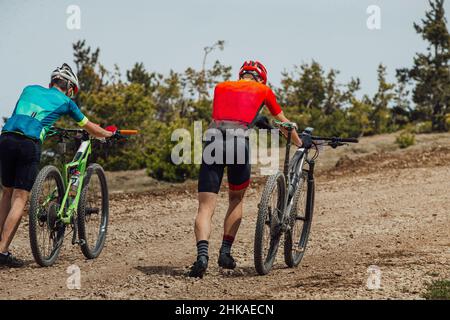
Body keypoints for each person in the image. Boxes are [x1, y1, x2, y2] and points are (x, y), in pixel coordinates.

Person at [188, 60, 311, 278]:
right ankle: (225, 252)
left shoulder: (221, 87)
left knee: (205, 207)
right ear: (261, 78)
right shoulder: (263, 90)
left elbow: (228, 111)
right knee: (235, 199)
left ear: (241, 74)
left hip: (213, 139)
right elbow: (284, 124)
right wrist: (300, 143)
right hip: (238, 142)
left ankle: (202, 256)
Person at [0, 63, 116, 267]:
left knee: (7, 194)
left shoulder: (29, 89)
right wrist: (108, 134)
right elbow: (90, 127)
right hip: (29, 143)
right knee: (20, 198)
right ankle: (2, 252)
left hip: (6, 138)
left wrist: (47, 128)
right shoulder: (67, 102)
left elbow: (27, 117)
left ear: (52, 82)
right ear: (70, 88)